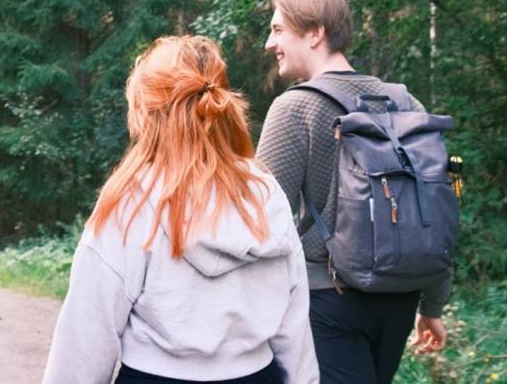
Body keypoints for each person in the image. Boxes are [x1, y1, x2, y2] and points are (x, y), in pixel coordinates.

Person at [43, 36, 318, 384]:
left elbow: (85, 336)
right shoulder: (263, 193)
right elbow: (294, 323)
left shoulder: (132, 200)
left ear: (145, 112)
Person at [256, 0, 451, 384]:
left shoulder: (295, 106)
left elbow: (260, 220)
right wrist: (432, 306)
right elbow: (435, 209)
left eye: (278, 30)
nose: (268, 43)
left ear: (315, 33)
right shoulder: (405, 103)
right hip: (399, 298)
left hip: (329, 302)